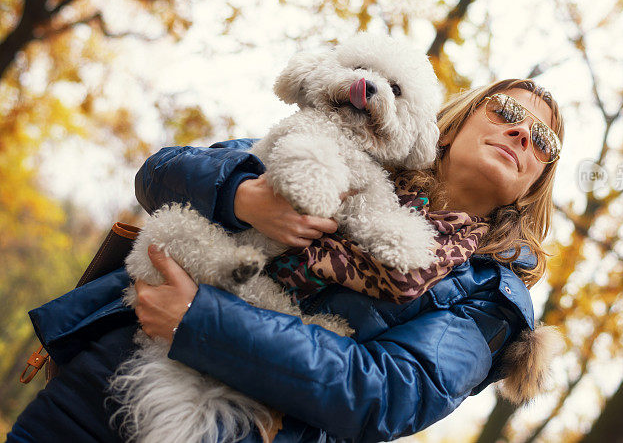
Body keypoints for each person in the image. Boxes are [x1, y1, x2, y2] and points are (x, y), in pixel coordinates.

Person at [8, 78, 565, 443]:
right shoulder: (348, 143)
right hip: (105, 381)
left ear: (534, 185)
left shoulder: (491, 298)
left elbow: (383, 394)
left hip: (238, 430)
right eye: (508, 111)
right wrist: (242, 197)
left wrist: (199, 321)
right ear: (459, 122)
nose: (522, 132)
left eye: (544, 141)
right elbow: (160, 172)